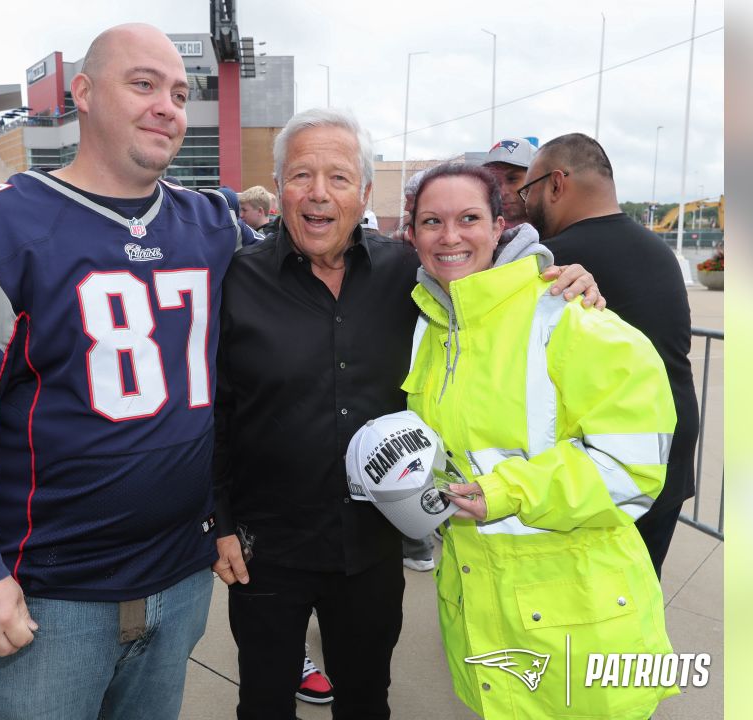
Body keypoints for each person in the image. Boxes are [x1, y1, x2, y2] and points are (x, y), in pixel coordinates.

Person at [0, 24, 245, 719]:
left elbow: (323, 275)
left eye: (178, 93)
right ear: (82, 94)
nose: (166, 106)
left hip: (180, 579)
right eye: (142, 84)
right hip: (48, 595)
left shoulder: (215, 226)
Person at [210, 108, 602, 719]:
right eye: (301, 176)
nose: (319, 193)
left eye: (339, 178)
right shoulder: (236, 280)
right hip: (266, 548)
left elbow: (493, 295)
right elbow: (216, 410)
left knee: (368, 700)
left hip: (372, 549)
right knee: (262, 702)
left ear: (364, 193)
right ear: (279, 185)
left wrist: (567, 279)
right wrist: (220, 520)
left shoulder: (409, 277)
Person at [401, 162, 678, 718]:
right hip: (488, 609)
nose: (450, 236)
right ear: (411, 234)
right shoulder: (434, 326)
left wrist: (504, 492)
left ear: (501, 225)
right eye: (432, 221)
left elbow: (633, 470)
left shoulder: (570, 315)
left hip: (579, 623)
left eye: (469, 218)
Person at [521, 133, 700, 577]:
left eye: (529, 189)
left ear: (556, 184)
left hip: (604, 470)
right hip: (668, 454)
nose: (525, 202)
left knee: (583, 613)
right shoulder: (662, 253)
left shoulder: (552, 264)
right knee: (639, 596)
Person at [482, 137, 540, 247]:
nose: (502, 192)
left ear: (536, 178)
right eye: (495, 181)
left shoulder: (558, 231)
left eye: (512, 179)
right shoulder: (482, 238)